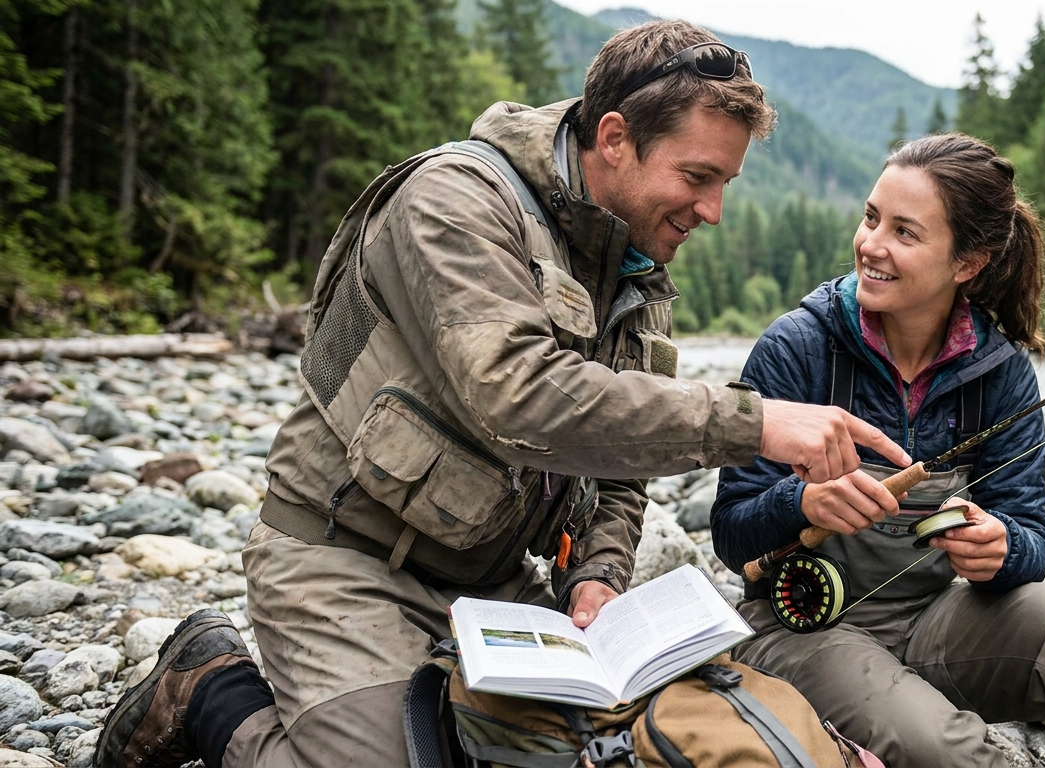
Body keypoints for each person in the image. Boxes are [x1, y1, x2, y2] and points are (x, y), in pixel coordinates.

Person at [96, 20, 911, 768]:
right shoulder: (453, 201)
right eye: (698, 177)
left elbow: (620, 467)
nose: (714, 211)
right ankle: (208, 685)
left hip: (491, 584)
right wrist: (755, 424)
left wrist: (596, 575)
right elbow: (520, 396)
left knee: (609, 748)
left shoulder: (634, 267)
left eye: (725, 182)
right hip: (342, 559)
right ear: (615, 138)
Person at [711, 133, 1045, 768]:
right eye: (871, 218)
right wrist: (800, 502)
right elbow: (731, 535)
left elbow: (1031, 540)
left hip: (936, 622)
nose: (872, 244)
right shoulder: (795, 349)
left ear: (966, 263)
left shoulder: (1000, 370)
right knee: (940, 747)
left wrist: (1001, 549)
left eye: (904, 232)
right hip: (802, 630)